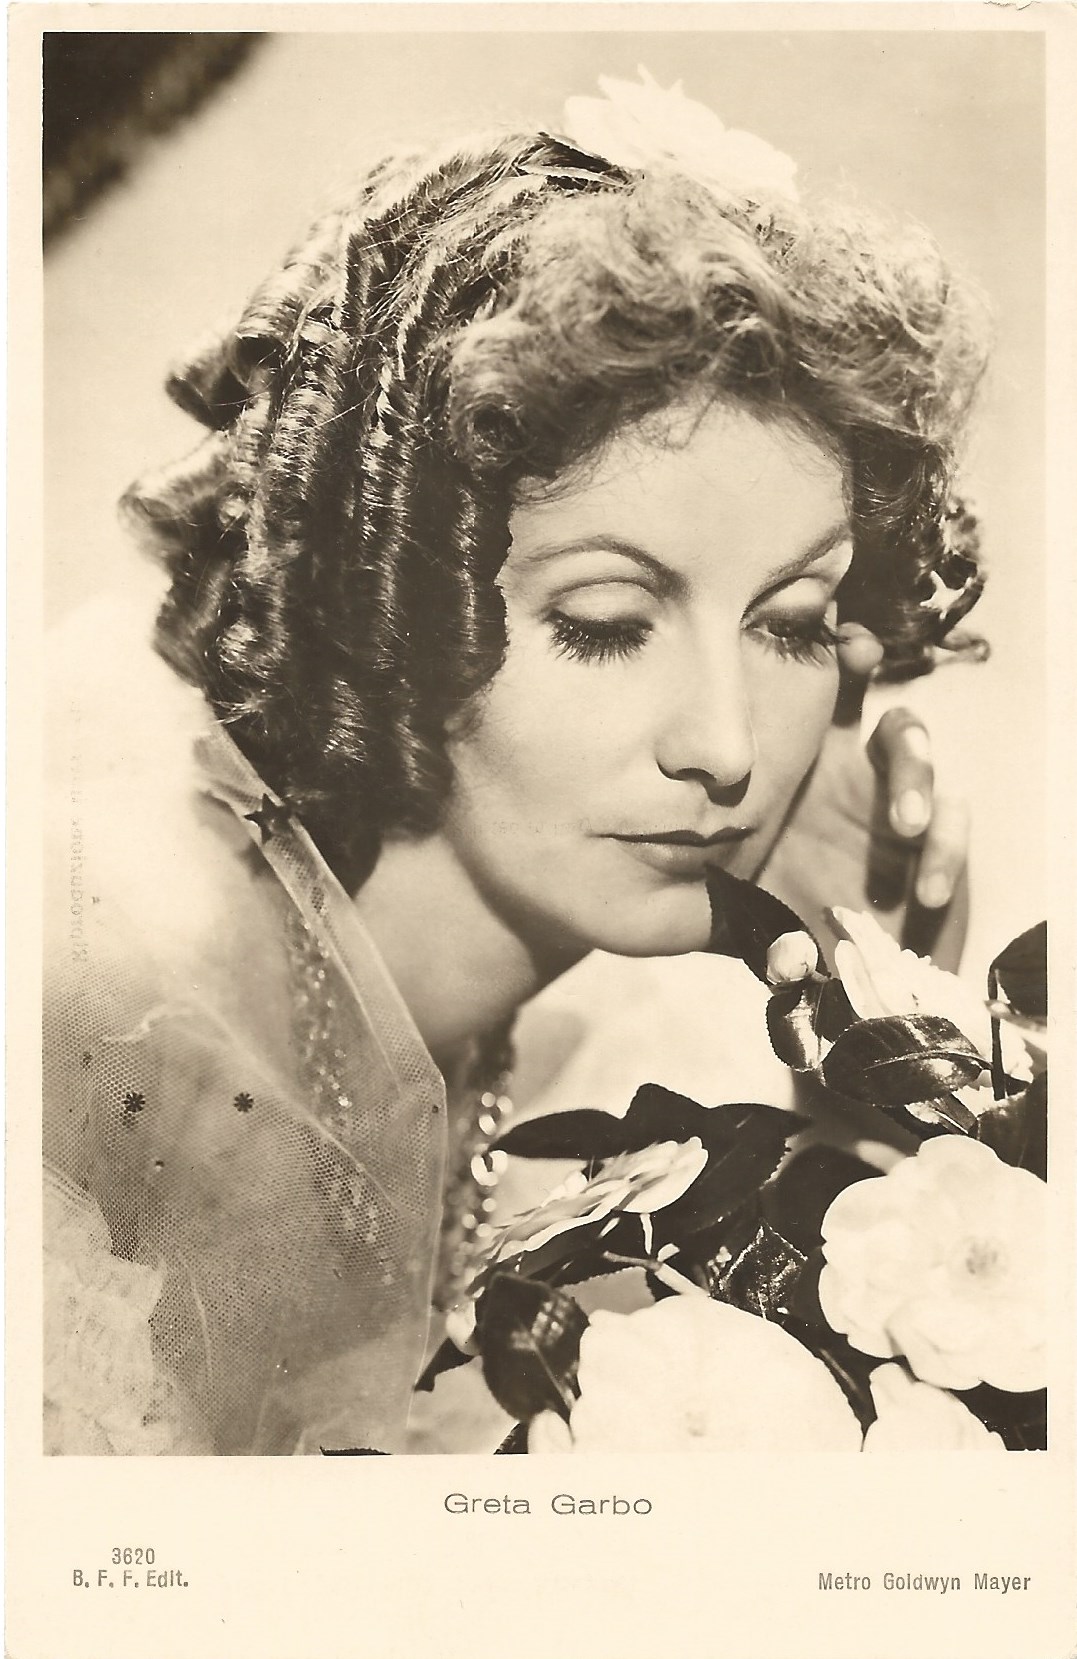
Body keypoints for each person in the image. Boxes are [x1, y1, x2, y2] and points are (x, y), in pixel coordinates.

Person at [43, 76, 989, 1455]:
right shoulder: (102, 1041)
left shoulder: (593, 1065)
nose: (726, 748)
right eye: (604, 624)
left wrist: (868, 1059)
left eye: (788, 623)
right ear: (392, 596)